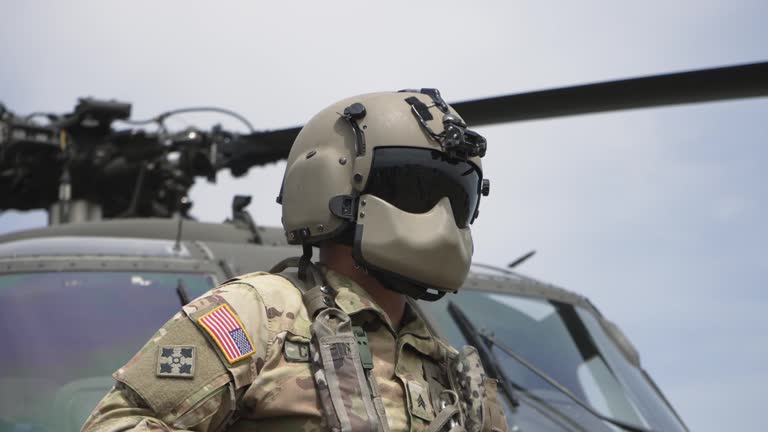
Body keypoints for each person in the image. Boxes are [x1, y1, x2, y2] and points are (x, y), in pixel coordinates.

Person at [81, 89, 505, 432]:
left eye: (457, 199)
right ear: (331, 186)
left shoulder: (451, 371)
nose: (441, 219)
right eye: (414, 190)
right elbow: (117, 424)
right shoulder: (262, 315)